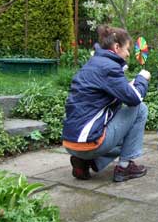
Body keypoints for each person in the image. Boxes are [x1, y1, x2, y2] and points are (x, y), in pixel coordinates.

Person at [62, 25, 151, 182]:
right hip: (89, 143)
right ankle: (124, 168)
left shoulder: (93, 64)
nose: (128, 54)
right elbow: (135, 99)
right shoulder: (109, 68)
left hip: (71, 142)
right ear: (117, 47)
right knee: (140, 109)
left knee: (122, 126)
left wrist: (128, 86)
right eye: (127, 49)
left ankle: (85, 161)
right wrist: (142, 78)